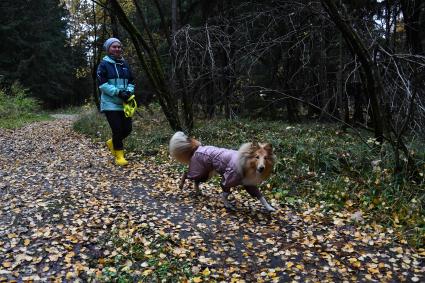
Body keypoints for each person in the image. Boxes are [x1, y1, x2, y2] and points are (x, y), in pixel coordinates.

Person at [97, 37, 135, 166]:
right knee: (117, 129)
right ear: (108, 49)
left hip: (124, 103)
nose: (117, 49)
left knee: (128, 129)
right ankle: (119, 156)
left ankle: (112, 142)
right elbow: (102, 85)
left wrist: (129, 91)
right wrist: (118, 92)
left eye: (119, 46)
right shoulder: (103, 64)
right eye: (114, 46)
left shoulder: (125, 64)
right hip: (110, 103)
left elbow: (131, 81)